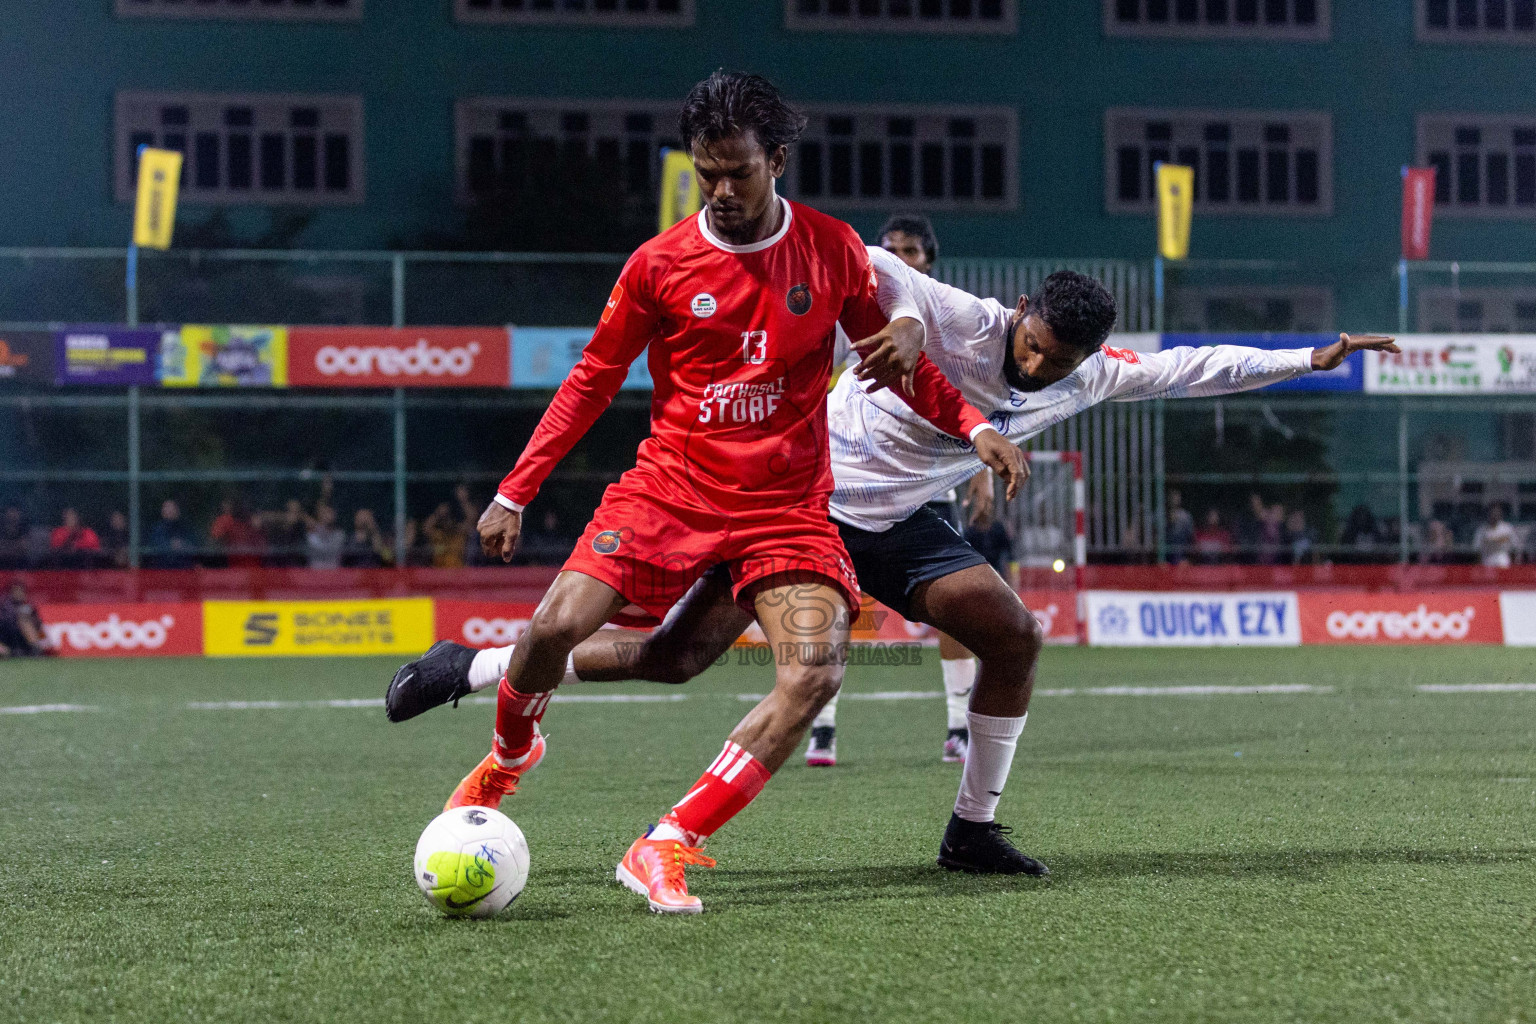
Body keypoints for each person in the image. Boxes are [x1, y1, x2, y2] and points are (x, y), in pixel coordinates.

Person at [389, 227, 1398, 892]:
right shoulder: (959, 315)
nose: (1036, 368)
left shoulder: (1088, 377)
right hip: (801, 500)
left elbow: (1189, 367)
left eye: (1057, 362)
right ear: (1020, 313)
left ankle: (972, 828)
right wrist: (905, 320)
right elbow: (865, 259)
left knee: (1013, 633)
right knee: (673, 658)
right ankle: (479, 666)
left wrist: (1309, 357)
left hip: (903, 526)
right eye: (1035, 345)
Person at [388, 71, 1024, 914]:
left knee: (815, 673)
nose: (721, 191)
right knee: (551, 630)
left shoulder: (832, 249)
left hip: (786, 512)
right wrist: (515, 490)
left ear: (778, 162)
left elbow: (893, 363)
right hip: (671, 492)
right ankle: (509, 758)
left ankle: (667, 843)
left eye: (738, 173)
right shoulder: (660, 263)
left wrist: (974, 425)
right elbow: (591, 379)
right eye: (706, 173)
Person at [836, 212, 994, 767]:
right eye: (887, 249)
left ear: (928, 262)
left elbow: (970, 401)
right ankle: (822, 726)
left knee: (957, 605)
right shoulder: (854, 313)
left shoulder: (951, 322)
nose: (895, 260)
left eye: (908, 251)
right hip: (855, 483)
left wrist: (977, 469)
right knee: (834, 604)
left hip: (930, 484)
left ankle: (958, 726)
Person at [0, 580, 51, 656]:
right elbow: (5, 624)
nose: (19, 593)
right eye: (16, 591)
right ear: (11, 593)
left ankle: (36, 649)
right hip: (6, 638)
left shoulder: (29, 608)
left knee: (25, 620)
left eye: (21, 591)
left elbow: (39, 626)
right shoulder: (4, 607)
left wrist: (43, 641)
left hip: (23, 641)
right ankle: (10, 652)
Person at [210, 499, 264, 568]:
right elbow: (213, 543)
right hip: (231, 569)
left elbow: (264, 551)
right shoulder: (225, 521)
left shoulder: (255, 525)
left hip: (255, 569)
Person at [147, 500, 196, 569]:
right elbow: (153, 547)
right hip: (161, 570)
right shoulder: (156, 529)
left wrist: (183, 545)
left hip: (184, 570)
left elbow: (195, 546)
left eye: (173, 508)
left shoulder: (185, 529)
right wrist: (170, 545)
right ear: (162, 511)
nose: (170, 510)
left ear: (178, 511)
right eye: (167, 508)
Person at [1474, 503, 1518, 568]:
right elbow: (1477, 549)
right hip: (1487, 560)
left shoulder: (1507, 528)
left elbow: (1514, 547)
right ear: (1488, 513)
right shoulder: (1481, 530)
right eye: (1492, 512)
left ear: (1500, 514)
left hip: (1503, 559)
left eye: (1497, 512)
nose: (1495, 515)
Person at [304, 504, 346, 570]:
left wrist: (317, 527)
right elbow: (318, 549)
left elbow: (331, 550)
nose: (327, 516)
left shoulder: (340, 534)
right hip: (314, 572)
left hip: (334, 572)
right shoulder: (310, 535)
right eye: (324, 513)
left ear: (334, 515)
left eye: (329, 512)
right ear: (319, 515)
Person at [1166, 490, 1195, 565]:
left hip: (1181, 555)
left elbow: (1190, 537)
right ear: (1169, 498)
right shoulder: (1161, 515)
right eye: (1173, 497)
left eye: (1177, 497)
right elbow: (1157, 535)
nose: (1175, 499)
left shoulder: (1186, 516)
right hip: (1166, 555)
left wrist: (1188, 558)